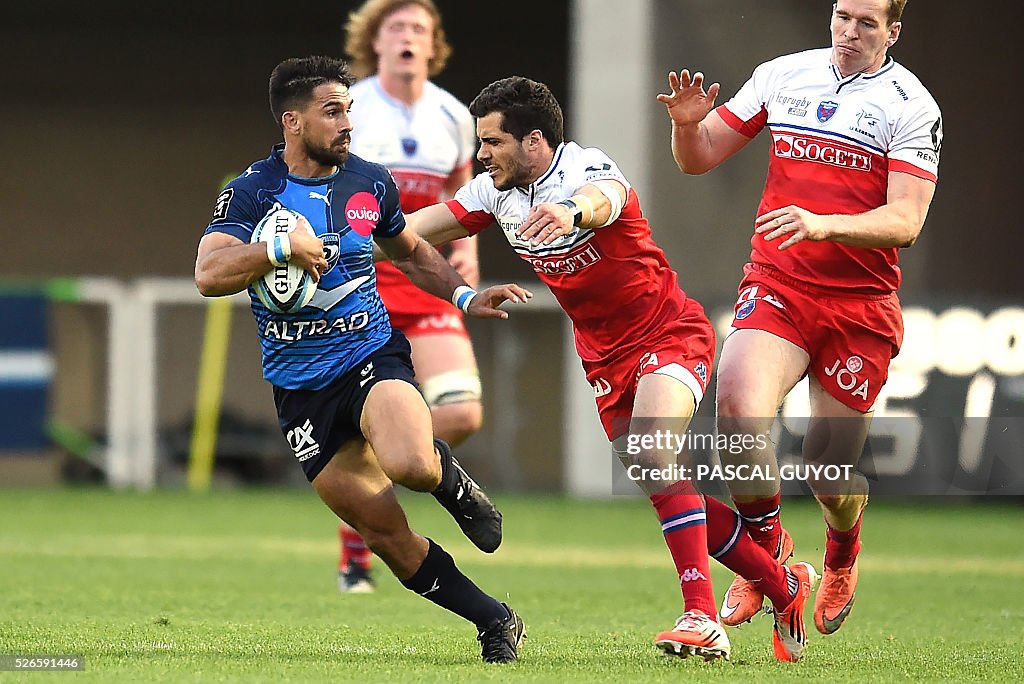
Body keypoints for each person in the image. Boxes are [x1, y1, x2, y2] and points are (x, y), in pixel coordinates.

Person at [400, 75, 819, 662]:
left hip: (669, 334)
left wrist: (571, 214)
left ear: (534, 142)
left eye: (492, 142)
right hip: (604, 358)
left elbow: (607, 200)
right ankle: (782, 583)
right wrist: (345, 235)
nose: (482, 154)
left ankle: (700, 615)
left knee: (653, 452)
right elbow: (411, 231)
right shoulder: (496, 193)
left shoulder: (585, 168)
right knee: (663, 480)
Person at [194, 56, 531, 663]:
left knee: (410, 465)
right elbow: (209, 273)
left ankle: (451, 483)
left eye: (350, 109)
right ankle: (494, 618)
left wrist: (462, 294)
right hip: (300, 391)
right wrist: (276, 246)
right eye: (332, 111)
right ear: (291, 122)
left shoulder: (369, 181)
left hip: (371, 354)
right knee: (386, 536)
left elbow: (410, 251)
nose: (347, 122)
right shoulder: (250, 191)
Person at [658, 0, 941, 638]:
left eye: (867, 23)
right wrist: (684, 126)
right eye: (842, 16)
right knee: (736, 408)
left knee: (827, 471)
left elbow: (907, 220)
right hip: (778, 282)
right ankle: (768, 558)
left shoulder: (910, 105)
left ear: (893, 31)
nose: (849, 32)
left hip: (858, 307)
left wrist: (824, 224)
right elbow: (699, 157)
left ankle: (842, 550)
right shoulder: (784, 76)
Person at [333, 0, 485, 594]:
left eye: (418, 28)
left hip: (425, 282)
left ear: (432, 44)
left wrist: (468, 255)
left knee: (463, 410)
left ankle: (368, 471)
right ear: (375, 41)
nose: (407, 37)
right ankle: (357, 548)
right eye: (396, 27)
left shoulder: (453, 115)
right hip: (359, 287)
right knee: (369, 424)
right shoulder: (351, 107)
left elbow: (464, 194)